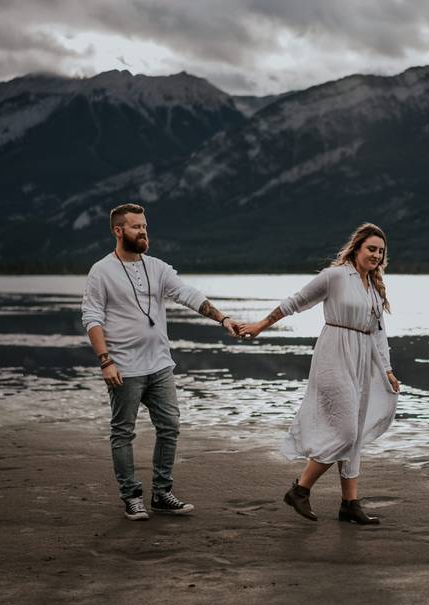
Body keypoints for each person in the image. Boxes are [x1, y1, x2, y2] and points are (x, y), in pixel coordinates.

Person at [81, 203, 241, 521]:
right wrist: (105, 361)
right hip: (124, 368)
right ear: (118, 230)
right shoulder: (102, 271)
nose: (143, 232)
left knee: (170, 427)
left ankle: (161, 493)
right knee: (123, 432)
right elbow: (92, 317)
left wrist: (223, 318)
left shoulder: (157, 268)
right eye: (136, 227)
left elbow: (188, 294)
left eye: (145, 226)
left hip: (160, 365)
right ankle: (131, 496)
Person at [239, 223, 400, 525]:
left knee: (354, 432)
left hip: (363, 362)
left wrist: (388, 370)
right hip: (334, 356)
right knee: (346, 431)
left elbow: (379, 333)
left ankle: (350, 503)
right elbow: (295, 302)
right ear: (357, 248)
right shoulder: (335, 276)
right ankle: (300, 489)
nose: (376, 255)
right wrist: (261, 325)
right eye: (371, 249)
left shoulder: (375, 288)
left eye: (381, 251)